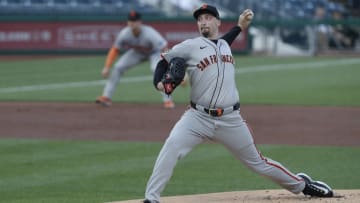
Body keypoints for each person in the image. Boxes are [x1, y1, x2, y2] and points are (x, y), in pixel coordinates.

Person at [143, 4, 334, 203]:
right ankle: (152, 198)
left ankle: (303, 185)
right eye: (199, 19)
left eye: (208, 17)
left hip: (230, 119)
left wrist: (240, 26)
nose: (203, 22)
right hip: (197, 117)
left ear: (217, 21)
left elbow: (224, 40)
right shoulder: (189, 46)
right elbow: (163, 61)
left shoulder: (224, 44)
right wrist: (159, 84)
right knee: (171, 147)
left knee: (258, 163)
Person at [95, 10, 175, 109]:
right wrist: (107, 67)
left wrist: (172, 66)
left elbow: (165, 49)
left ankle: (168, 101)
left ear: (140, 22)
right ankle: (106, 97)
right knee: (118, 67)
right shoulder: (124, 33)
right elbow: (115, 49)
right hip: (137, 53)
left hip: (155, 53)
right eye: (130, 20)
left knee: (156, 70)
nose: (132, 23)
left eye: (134, 21)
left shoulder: (150, 33)